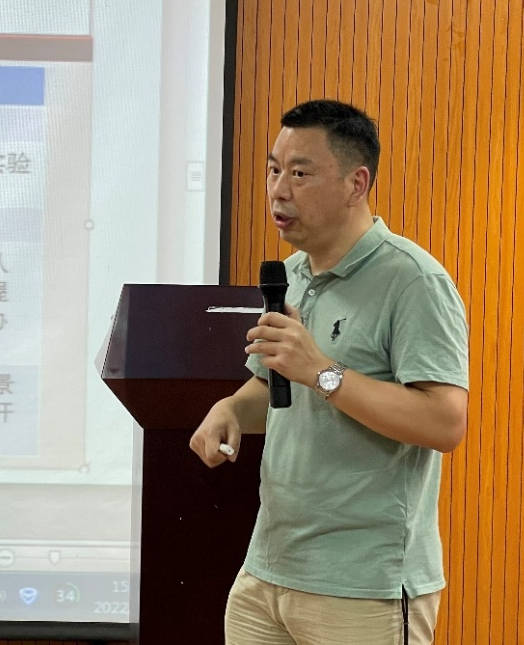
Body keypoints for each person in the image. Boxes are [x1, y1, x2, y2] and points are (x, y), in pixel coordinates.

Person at [189, 99, 469, 645]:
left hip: (364, 585)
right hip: (267, 572)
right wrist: (230, 409)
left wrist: (322, 371)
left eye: (300, 173)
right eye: (273, 169)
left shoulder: (413, 282)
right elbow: (271, 386)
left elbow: (444, 423)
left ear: (355, 183)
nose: (278, 190)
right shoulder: (291, 274)